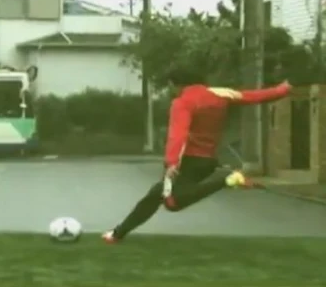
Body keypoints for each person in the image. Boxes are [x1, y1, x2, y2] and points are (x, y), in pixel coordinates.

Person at [102, 66, 292, 243]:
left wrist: (171, 164)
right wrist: (283, 89)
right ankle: (118, 234)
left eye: (170, 85)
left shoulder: (183, 102)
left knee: (171, 201)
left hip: (188, 161)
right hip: (207, 161)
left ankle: (228, 179)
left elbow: (178, 134)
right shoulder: (220, 94)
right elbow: (253, 96)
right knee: (156, 195)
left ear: (175, 84)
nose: (171, 90)